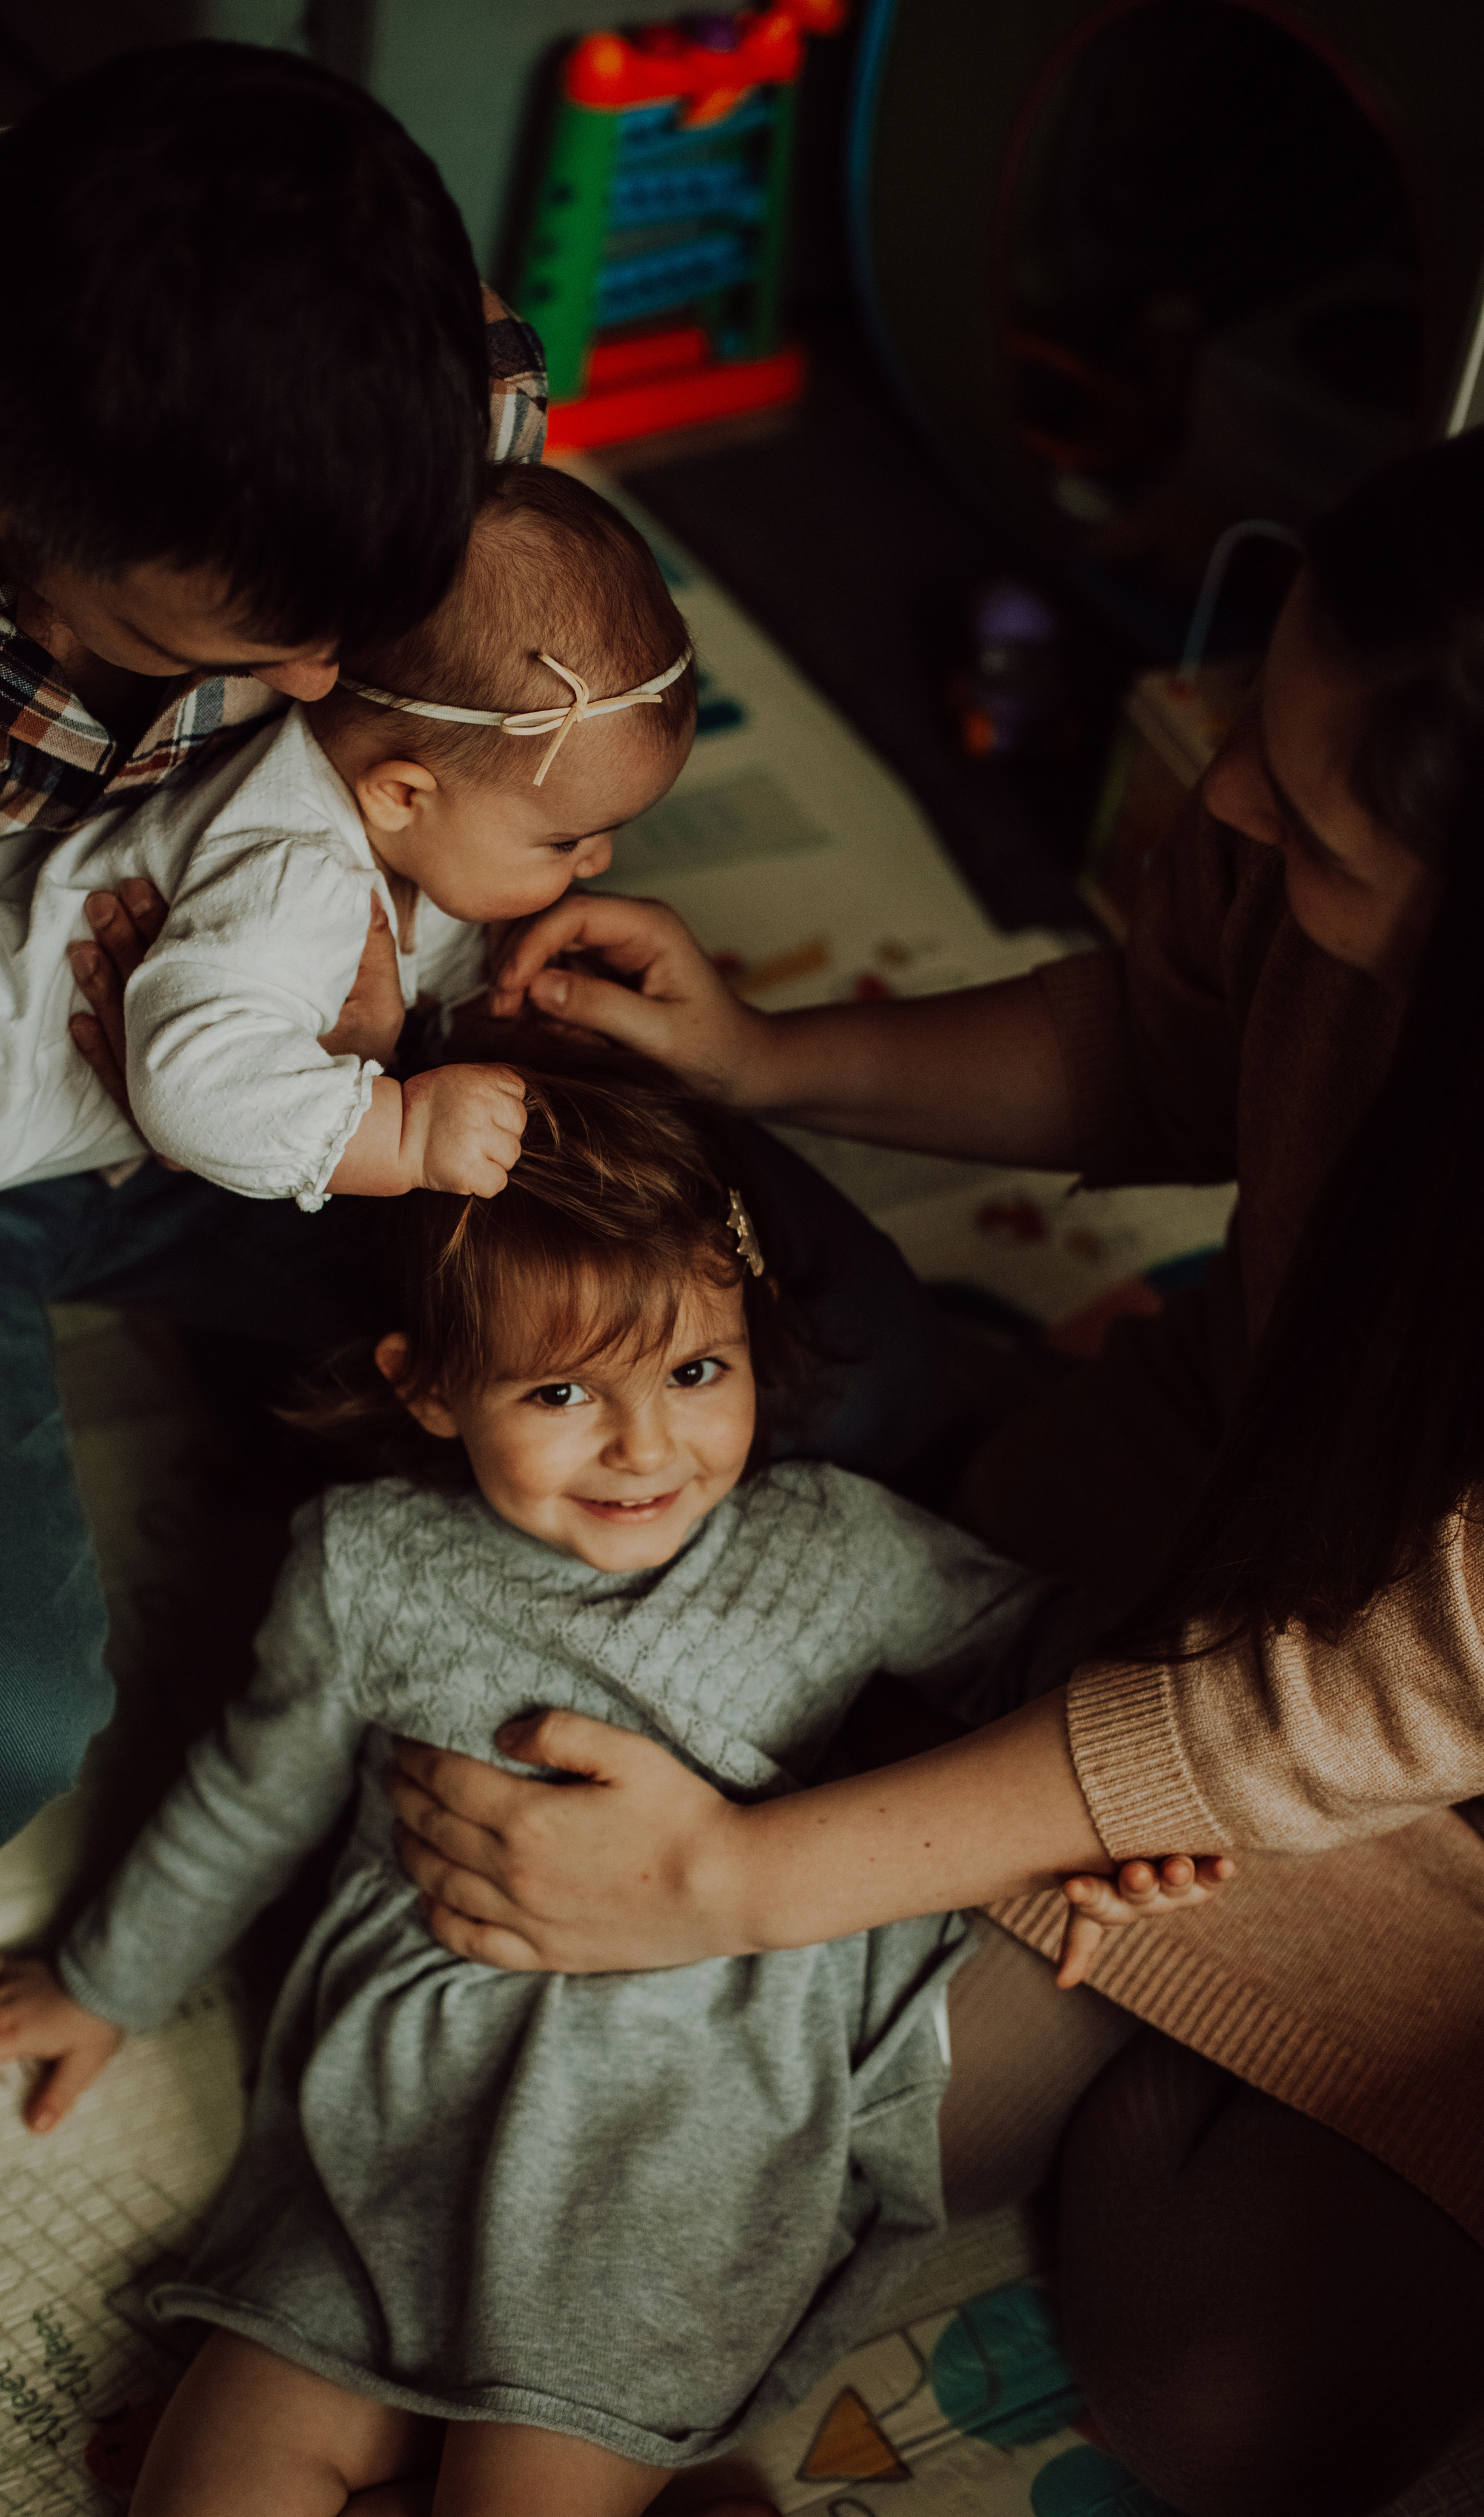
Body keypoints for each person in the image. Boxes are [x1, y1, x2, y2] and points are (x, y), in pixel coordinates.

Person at [370, 430, 1484, 2514]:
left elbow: (1330, 1709)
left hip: (1395, 1754)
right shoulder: (1280, 846)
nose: (1232, 794)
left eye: (1317, 822)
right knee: (807, 2028)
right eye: (1258, 715)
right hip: (1203, 1559)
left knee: (1220, 2382)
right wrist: (762, 1054)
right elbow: (1169, 1046)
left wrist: (737, 1880)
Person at [0, 48, 950, 1895]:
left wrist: (430, 984)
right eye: (253, 644)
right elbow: (188, 1062)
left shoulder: (432, 394)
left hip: (311, 1070)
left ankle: (317, 1370)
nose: (323, 690)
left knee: (849, 1374)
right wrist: (333, 1095)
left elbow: (492, 740)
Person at [0, 1051, 1218, 2517]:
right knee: (207, 2483)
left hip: (678, 2124)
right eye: (562, 1390)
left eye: (696, 1372)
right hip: (397, 2120)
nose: (645, 1446)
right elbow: (250, 1794)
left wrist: (1111, 1828)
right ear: (428, 1388)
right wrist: (101, 1981)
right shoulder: (369, 1564)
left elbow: (1049, 1652)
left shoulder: (838, 1546)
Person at [0, 465, 698, 1422]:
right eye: (566, 841)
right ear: (401, 794)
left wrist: (507, 1003)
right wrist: (404, 1132)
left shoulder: (398, 829)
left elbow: (431, 959)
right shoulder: (297, 873)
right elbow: (193, 1087)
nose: (598, 862)